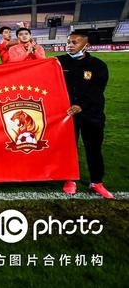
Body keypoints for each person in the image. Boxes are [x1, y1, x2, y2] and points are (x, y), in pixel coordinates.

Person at [57, 30, 113, 199]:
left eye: (75, 42)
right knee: (68, 148)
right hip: (67, 115)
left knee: (93, 148)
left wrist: (81, 105)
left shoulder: (98, 65)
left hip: (92, 114)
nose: (70, 45)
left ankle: (97, 182)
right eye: (68, 42)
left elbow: (97, 91)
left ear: (86, 45)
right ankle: (70, 179)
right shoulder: (58, 62)